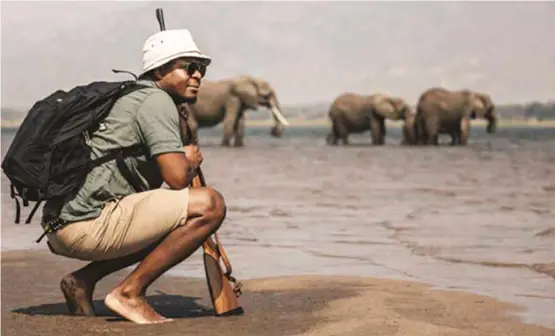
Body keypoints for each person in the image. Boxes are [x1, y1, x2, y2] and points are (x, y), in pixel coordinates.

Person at [41, 28, 226, 324]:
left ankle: (83, 281)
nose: (198, 75)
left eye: (201, 68)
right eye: (189, 67)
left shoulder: (133, 94)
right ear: (161, 69)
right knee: (210, 205)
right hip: (86, 226)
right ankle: (129, 293)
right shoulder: (156, 102)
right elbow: (177, 179)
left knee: (176, 218)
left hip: (62, 225)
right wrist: (188, 160)